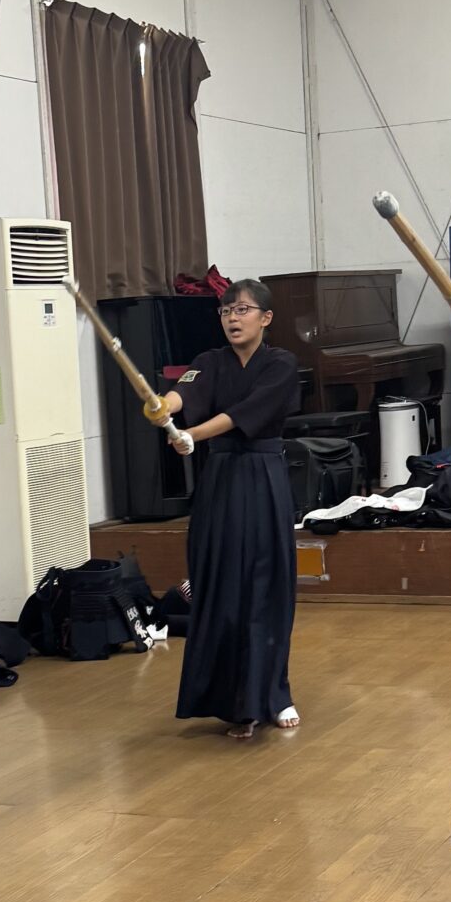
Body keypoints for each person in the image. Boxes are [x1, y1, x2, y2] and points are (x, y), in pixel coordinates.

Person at [159, 278, 300, 741]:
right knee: (218, 583)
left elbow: (244, 413)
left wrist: (191, 435)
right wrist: (163, 407)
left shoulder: (281, 363)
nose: (233, 319)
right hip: (219, 482)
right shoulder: (209, 361)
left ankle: (273, 693)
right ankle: (229, 701)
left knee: (263, 585)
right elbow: (186, 392)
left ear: (266, 317)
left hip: (262, 477)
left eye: (242, 310)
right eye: (225, 311)